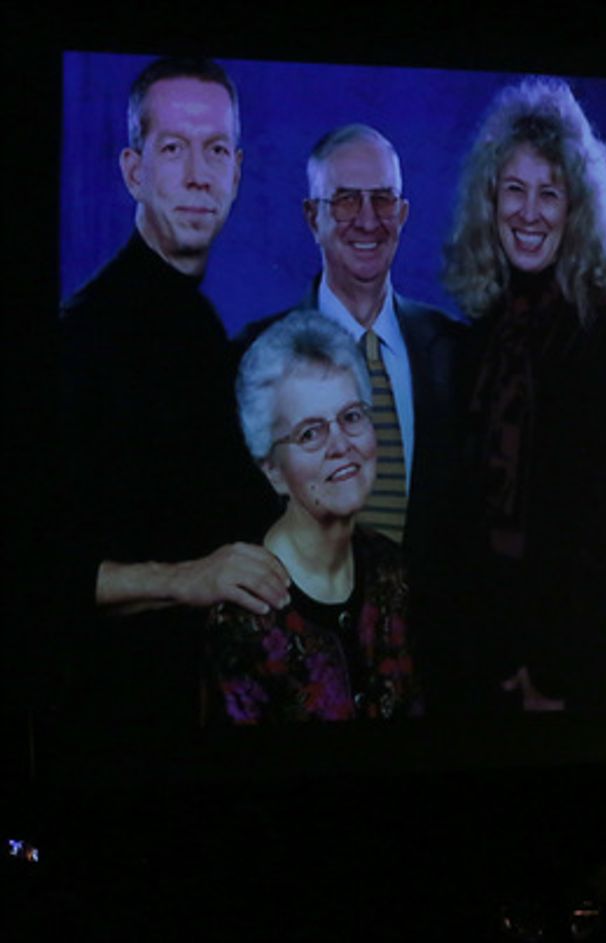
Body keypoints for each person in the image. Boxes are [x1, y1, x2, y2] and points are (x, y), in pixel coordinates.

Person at [54, 58, 286, 754]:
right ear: (134, 171)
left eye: (215, 150)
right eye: (173, 148)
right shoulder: (81, 339)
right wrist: (189, 579)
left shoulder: (202, 329)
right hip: (108, 736)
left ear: (237, 172)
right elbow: (37, 573)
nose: (197, 175)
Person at [443, 78, 606, 711]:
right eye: (515, 189)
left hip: (572, 660)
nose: (529, 213)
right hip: (488, 655)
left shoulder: (603, 329)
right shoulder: (479, 333)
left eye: (549, 193)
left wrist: (552, 670)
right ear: (489, 200)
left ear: (575, 209)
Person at [237, 124, 466, 705]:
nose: (368, 220)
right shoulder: (253, 358)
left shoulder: (457, 352)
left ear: (404, 213)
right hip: (303, 687)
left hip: (440, 683)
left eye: (383, 199)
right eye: (344, 200)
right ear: (311, 216)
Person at [207, 311, 422, 722]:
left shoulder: (392, 570)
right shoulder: (242, 615)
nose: (341, 445)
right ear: (272, 469)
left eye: (352, 416)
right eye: (310, 432)